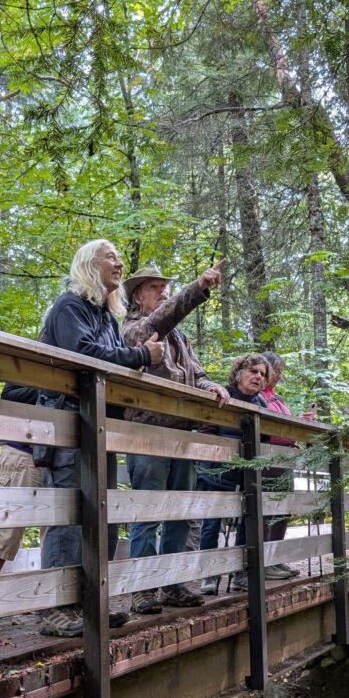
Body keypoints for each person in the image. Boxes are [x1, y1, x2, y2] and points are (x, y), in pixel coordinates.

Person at [37, 239, 164, 638]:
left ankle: (91, 602)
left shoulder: (106, 317)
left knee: (102, 516)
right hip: (68, 423)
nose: (119, 262)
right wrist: (142, 355)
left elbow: (111, 364)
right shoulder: (69, 306)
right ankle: (56, 609)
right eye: (110, 255)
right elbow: (84, 354)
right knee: (70, 516)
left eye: (119, 256)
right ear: (88, 265)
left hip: (100, 428)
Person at [121, 260, 229, 614]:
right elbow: (161, 320)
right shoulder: (135, 328)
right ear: (138, 296)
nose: (163, 291)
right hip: (147, 433)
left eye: (165, 286)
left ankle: (171, 584)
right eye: (154, 287)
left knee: (180, 512)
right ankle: (142, 588)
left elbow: (194, 373)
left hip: (183, 433)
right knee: (148, 512)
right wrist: (197, 288)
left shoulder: (180, 337)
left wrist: (210, 385)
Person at [196, 353, 271, 595]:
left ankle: (240, 573)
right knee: (211, 524)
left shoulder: (261, 403)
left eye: (262, 374)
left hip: (247, 473)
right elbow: (205, 428)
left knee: (247, 522)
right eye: (253, 371)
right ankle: (209, 575)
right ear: (239, 373)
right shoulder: (222, 394)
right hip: (216, 472)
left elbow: (266, 436)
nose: (258, 377)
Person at [258, 351, 318, 580]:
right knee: (267, 510)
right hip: (266, 460)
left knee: (283, 509)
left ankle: (277, 556)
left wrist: (301, 422)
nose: (279, 376)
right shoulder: (258, 397)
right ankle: (265, 561)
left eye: (282, 372)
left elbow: (286, 427)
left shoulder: (278, 399)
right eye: (277, 371)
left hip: (285, 460)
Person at [0, 383, 43, 576]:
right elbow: (8, 396)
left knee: (55, 532)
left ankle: (53, 599)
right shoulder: (28, 366)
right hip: (22, 453)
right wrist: (50, 389)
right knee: (5, 532)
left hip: (59, 457)